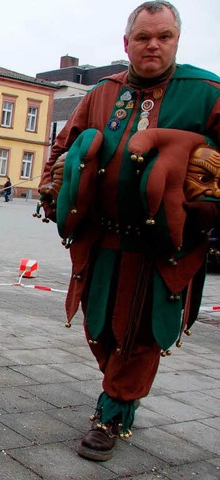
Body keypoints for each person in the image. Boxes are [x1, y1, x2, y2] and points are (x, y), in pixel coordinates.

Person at [37, 1, 220, 462]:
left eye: (163, 36)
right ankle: (120, 392)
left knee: (140, 333)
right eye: (143, 37)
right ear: (127, 43)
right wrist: (53, 183)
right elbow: (63, 147)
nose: (153, 45)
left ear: (176, 40)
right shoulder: (101, 92)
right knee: (99, 329)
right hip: (103, 238)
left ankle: (111, 415)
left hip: (165, 246)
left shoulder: (207, 91)